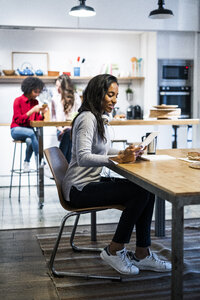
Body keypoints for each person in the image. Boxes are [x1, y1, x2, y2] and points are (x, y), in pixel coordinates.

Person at [62, 74, 171, 275]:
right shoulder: (87, 119)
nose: (114, 100)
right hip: (79, 189)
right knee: (139, 193)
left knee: (146, 189)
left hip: (89, 183)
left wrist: (126, 152)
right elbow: (84, 157)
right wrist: (119, 159)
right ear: (98, 94)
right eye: (110, 95)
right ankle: (114, 249)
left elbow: (100, 152)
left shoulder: (96, 117)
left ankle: (142, 253)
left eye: (116, 95)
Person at [10, 76, 47, 172]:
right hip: (16, 130)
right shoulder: (18, 100)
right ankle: (40, 160)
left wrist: (42, 113)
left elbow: (36, 121)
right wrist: (31, 111)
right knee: (32, 133)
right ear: (29, 89)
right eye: (35, 92)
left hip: (29, 131)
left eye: (39, 92)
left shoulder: (35, 102)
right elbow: (18, 120)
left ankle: (26, 163)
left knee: (30, 140)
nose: (37, 94)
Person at [51, 74, 81, 163]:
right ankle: (64, 167)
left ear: (65, 87)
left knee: (69, 133)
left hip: (73, 129)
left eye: (59, 86)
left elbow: (78, 116)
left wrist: (68, 127)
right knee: (68, 135)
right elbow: (53, 120)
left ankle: (60, 166)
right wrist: (61, 129)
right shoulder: (54, 99)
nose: (57, 88)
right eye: (56, 86)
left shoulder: (75, 97)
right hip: (60, 130)